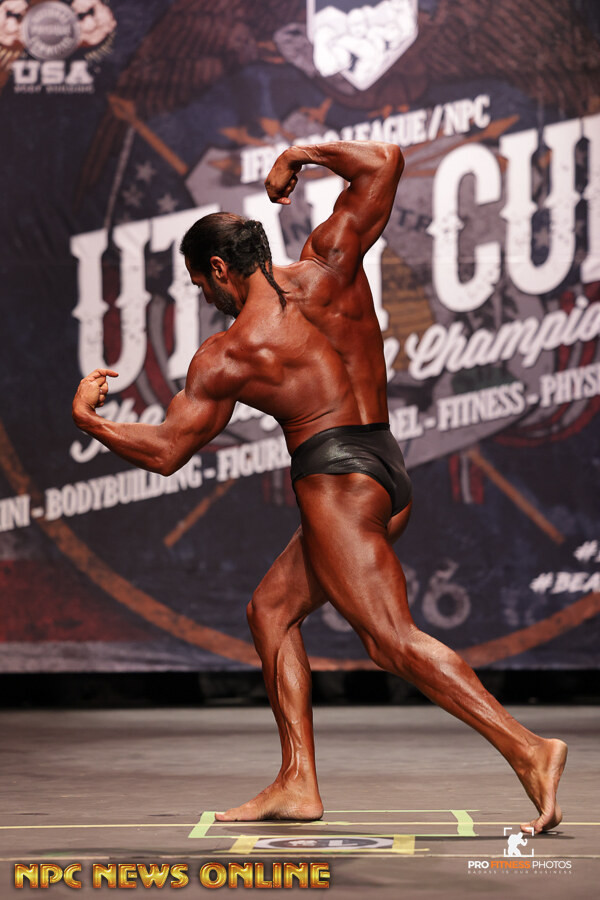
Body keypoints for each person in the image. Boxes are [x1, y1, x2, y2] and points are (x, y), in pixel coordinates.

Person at [72, 140, 567, 833]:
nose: (205, 298)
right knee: (270, 611)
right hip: (385, 469)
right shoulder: (331, 263)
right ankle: (297, 782)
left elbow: (167, 451)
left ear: (219, 269)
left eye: (200, 284)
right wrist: (298, 155)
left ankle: (529, 749)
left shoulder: (231, 354)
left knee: (390, 641)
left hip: (337, 486)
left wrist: (90, 421)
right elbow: (385, 161)